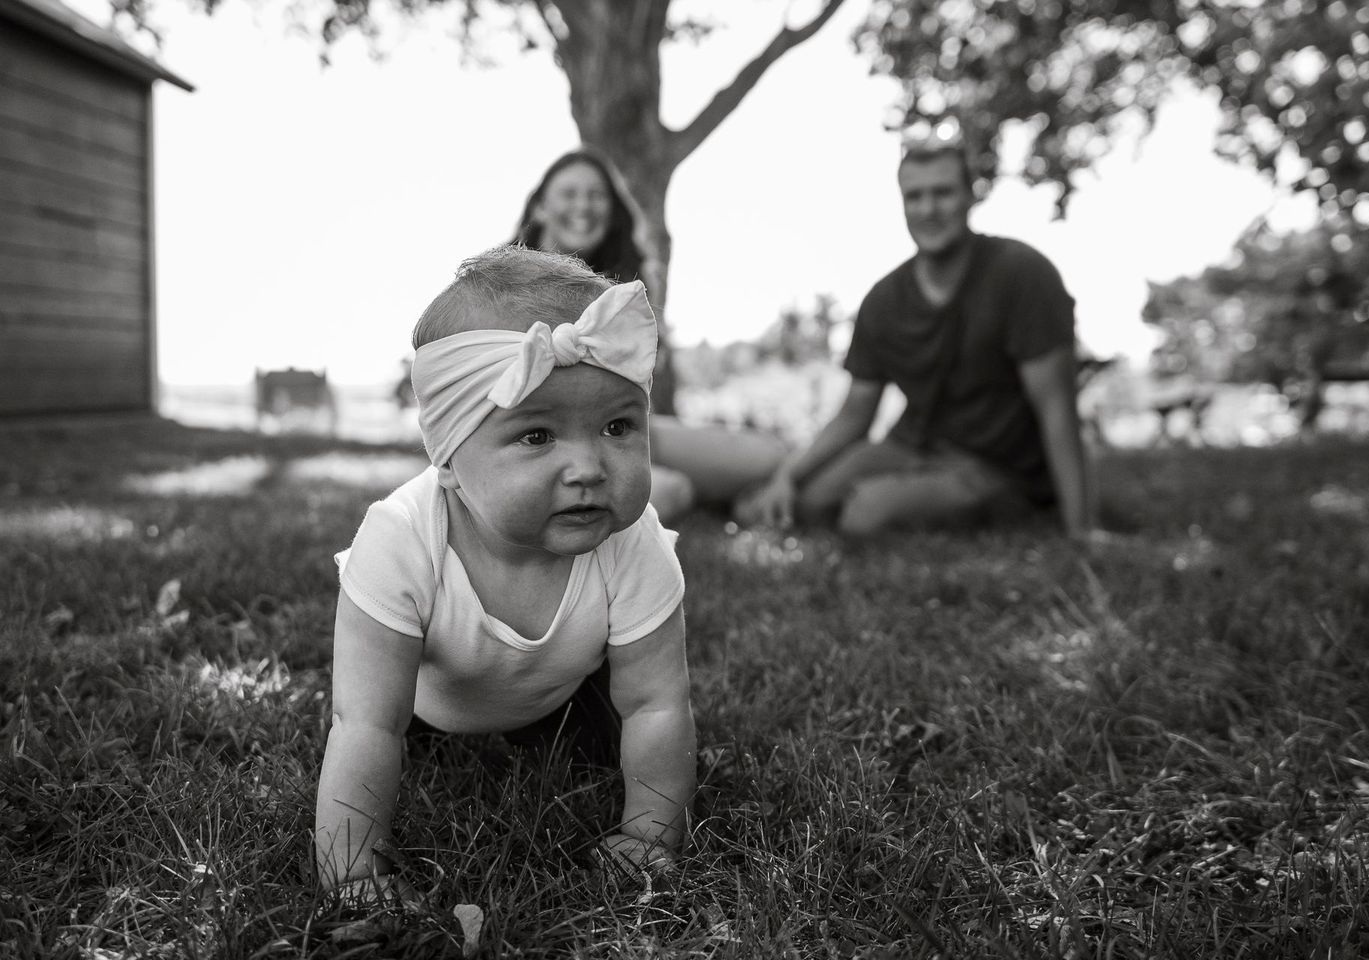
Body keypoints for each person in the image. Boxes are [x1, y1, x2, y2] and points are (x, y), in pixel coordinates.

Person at [315, 246, 696, 904]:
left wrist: (649, 834)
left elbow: (658, 703)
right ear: (450, 459)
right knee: (376, 732)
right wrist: (352, 872)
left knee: (618, 728)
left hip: (564, 692)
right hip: (424, 709)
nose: (588, 468)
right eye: (537, 436)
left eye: (616, 426)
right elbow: (366, 722)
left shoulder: (633, 542)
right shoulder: (401, 540)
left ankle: (559, 735)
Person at [739, 138, 1094, 538]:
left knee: (866, 515)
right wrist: (789, 474)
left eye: (943, 193)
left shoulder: (1023, 274)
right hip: (910, 448)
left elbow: (1057, 407)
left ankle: (1023, 511)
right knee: (809, 501)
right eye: (915, 197)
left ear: (970, 196)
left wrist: (1080, 528)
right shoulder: (884, 298)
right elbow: (856, 412)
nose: (929, 209)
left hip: (998, 465)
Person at [511, 150, 787, 517]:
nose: (584, 205)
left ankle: (740, 497)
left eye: (596, 195)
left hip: (622, 431)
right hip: (540, 435)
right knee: (672, 491)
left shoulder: (628, 283)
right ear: (541, 207)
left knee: (770, 456)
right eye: (570, 194)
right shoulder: (504, 280)